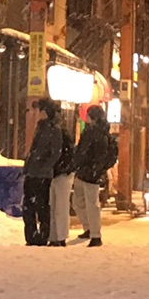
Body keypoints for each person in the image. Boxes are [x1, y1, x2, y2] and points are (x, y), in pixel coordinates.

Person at [70, 103, 118, 247]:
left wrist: (93, 169)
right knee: (80, 202)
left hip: (89, 172)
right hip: (85, 171)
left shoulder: (97, 133)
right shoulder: (99, 132)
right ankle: (89, 228)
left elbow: (96, 154)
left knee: (89, 204)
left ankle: (95, 234)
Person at [22, 99, 65, 247]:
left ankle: (41, 236)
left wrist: (45, 167)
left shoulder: (54, 129)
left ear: (45, 112)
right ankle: (31, 236)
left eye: (39, 110)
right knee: (28, 205)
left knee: (41, 206)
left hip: (42, 175)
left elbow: (55, 153)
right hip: (33, 172)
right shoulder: (41, 127)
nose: (36, 113)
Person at [49, 109, 79, 246]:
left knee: (58, 205)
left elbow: (63, 154)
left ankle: (59, 237)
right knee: (57, 205)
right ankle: (56, 236)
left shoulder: (58, 133)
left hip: (61, 173)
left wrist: (58, 167)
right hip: (59, 172)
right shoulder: (61, 132)